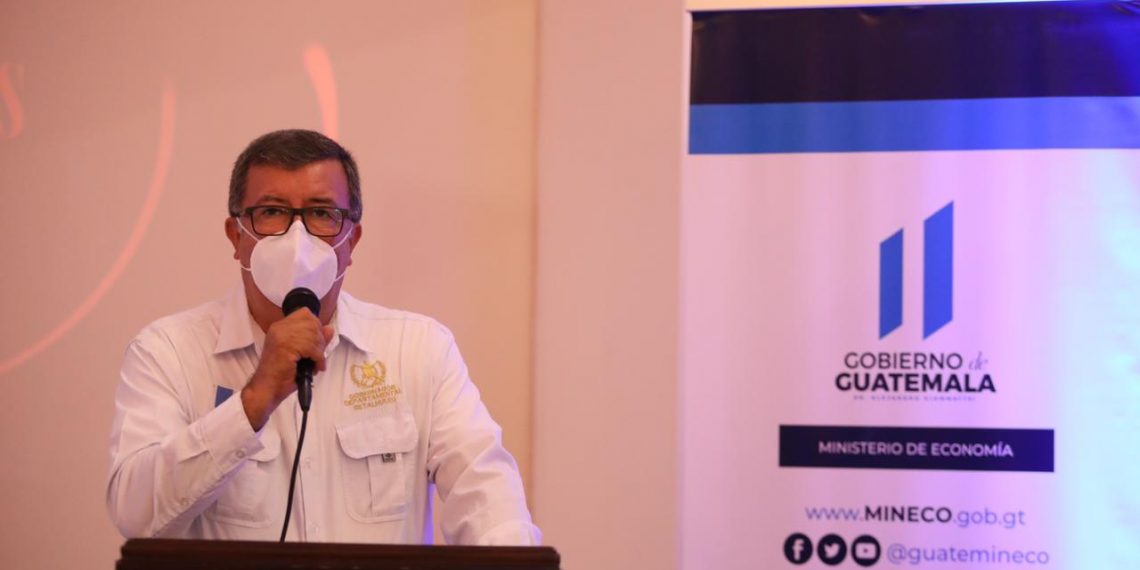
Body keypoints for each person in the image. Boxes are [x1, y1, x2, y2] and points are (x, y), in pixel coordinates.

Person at [106, 129, 540, 545]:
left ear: (352, 241)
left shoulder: (418, 349)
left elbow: (486, 497)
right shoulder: (168, 352)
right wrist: (252, 403)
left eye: (321, 213)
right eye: (272, 212)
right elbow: (135, 515)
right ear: (236, 236)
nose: (297, 238)